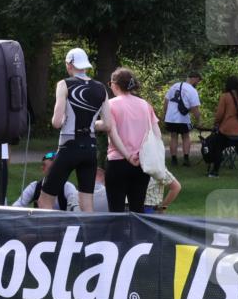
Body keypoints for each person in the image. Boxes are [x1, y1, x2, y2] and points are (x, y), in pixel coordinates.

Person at [43, 48, 111, 212]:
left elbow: (57, 122)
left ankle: (49, 236)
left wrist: (67, 120)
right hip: (90, 149)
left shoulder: (64, 84)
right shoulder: (101, 88)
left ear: (70, 64)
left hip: (69, 147)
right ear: (86, 66)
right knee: (87, 205)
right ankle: (88, 237)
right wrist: (90, 124)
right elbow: (108, 125)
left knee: (44, 201)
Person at [98, 67, 154, 213]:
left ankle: (117, 236)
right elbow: (154, 133)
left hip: (117, 161)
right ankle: (138, 236)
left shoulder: (110, 104)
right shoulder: (145, 104)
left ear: (114, 85)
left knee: (116, 209)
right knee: (138, 208)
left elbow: (113, 133)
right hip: (141, 162)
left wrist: (128, 156)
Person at [208, 76, 238, 178]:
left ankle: (215, 172)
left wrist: (216, 122)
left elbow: (220, 114)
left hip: (226, 128)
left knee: (218, 149)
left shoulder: (225, 96)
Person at [11, 152, 79, 210]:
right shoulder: (34, 187)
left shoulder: (67, 187)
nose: (54, 171)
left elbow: (75, 209)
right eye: (51, 169)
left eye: (56, 168)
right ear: (43, 168)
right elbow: (16, 207)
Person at [162, 71, 202, 167]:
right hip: (182, 118)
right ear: (195, 78)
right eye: (198, 81)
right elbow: (194, 108)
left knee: (173, 136)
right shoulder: (192, 90)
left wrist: (165, 114)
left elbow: (166, 101)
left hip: (170, 117)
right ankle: (186, 159)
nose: (198, 83)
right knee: (186, 136)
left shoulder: (175, 85)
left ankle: (174, 160)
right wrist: (199, 120)